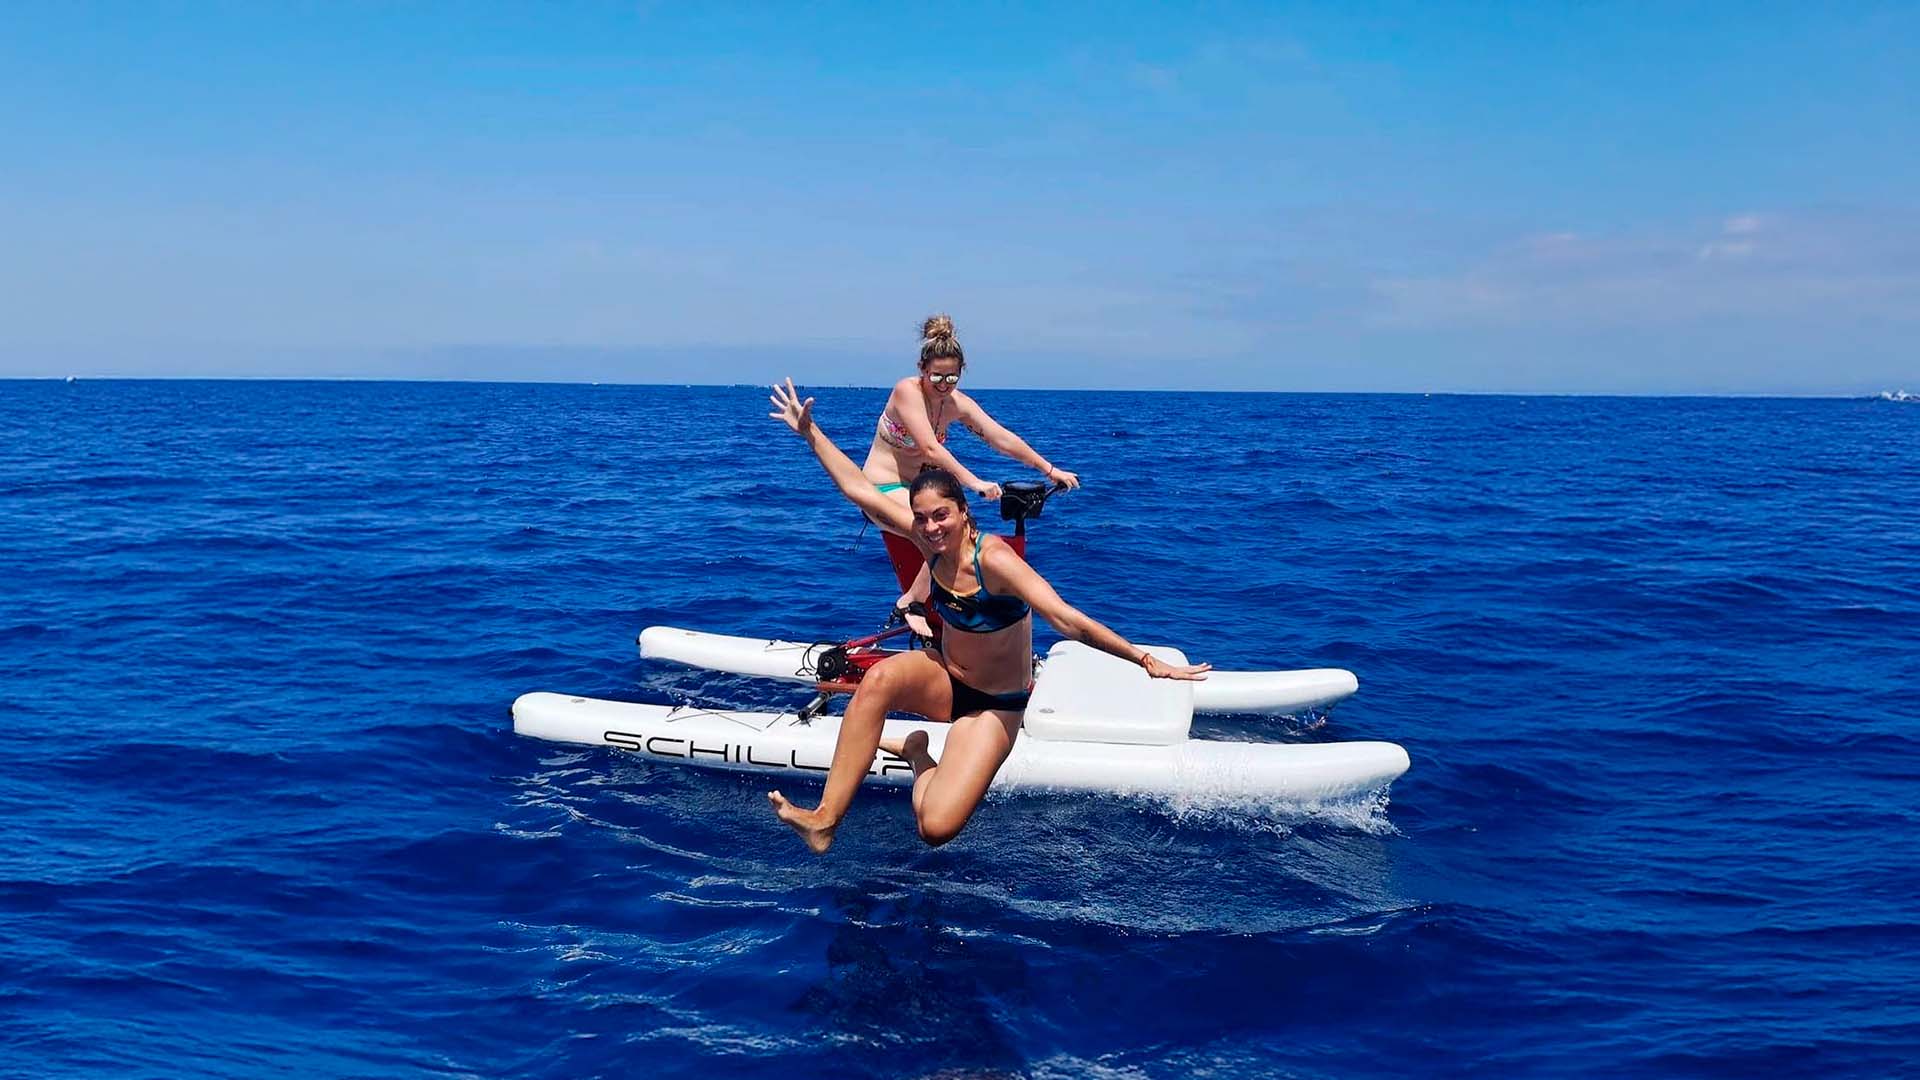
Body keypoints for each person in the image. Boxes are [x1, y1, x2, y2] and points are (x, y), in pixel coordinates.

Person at [766, 378, 1209, 853]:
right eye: (921, 518)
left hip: (996, 705)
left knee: (934, 828)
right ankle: (825, 820)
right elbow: (858, 488)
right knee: (877, 682)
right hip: (947, 679)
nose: (931, 527)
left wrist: (1145, 660)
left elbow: (1065, 618)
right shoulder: (927, 543)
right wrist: (810, 433)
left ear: (963, 512)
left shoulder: (994, 561)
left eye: (941, 515)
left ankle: (917, 754)